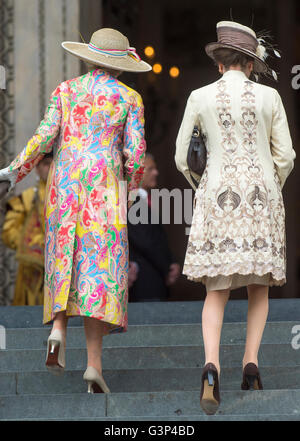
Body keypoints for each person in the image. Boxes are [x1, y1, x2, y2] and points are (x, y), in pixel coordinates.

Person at [0, 28, 151, 393]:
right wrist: (130, 188)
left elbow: (43, 137)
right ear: (122, 64)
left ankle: (57, 330)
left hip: (65, 181)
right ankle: (94, 366)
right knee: (98, 272)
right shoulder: (130, 98)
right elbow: (136, 154)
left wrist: (12, 171)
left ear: (88, 57)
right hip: (105, 187)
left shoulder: (65, 91)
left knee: (64, 254)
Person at [175, 20, 296, 415]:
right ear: (249, 62)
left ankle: (211, 368)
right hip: (262, 198)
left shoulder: (198, 96)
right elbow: (287, 157)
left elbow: (181, 158)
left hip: (217, 197)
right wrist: (268, 184)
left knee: (217, 289)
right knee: (259, 287)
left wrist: (204, 186)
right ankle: (251, 365)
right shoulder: (270, 97)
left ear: (219, 63)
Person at [2, 153, 53, 305]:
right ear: (37, 168)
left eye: (53, 164)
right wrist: (32, 246)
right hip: (31, 271)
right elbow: (9, 232)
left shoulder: (70, 198)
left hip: (60, 268)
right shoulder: (26, 198)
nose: (50, 168)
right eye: (45, 164)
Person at [128, 153, 180, 302]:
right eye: (150, 169)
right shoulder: (132, 200)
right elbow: (146, 241)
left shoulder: (142, 200)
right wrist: (168, 267)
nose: (156, 172)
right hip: (144, 283)